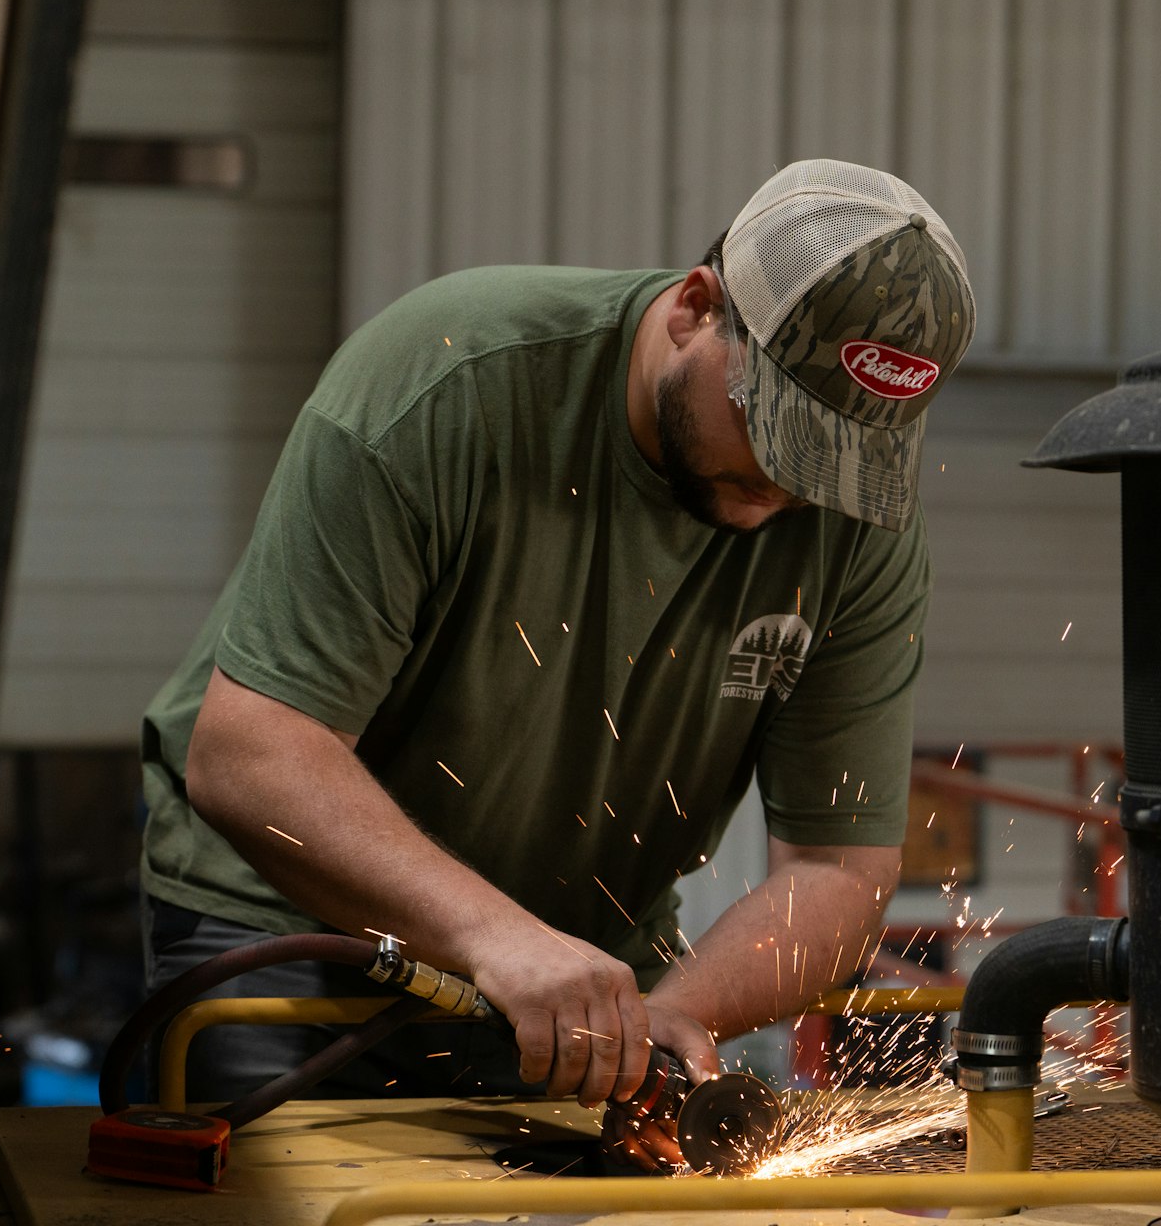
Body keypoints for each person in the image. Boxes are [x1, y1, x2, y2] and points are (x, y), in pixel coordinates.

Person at [136, 158, 976, 1167]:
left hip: (581, 982)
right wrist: (498, 940)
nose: (789, 491)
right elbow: (251, 754)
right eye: (775, 429)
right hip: (296, 936)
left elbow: (841, 866)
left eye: (833, 459)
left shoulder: (849, 519)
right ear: (696, 307)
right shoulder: (450, 383)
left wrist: (676, 1010)